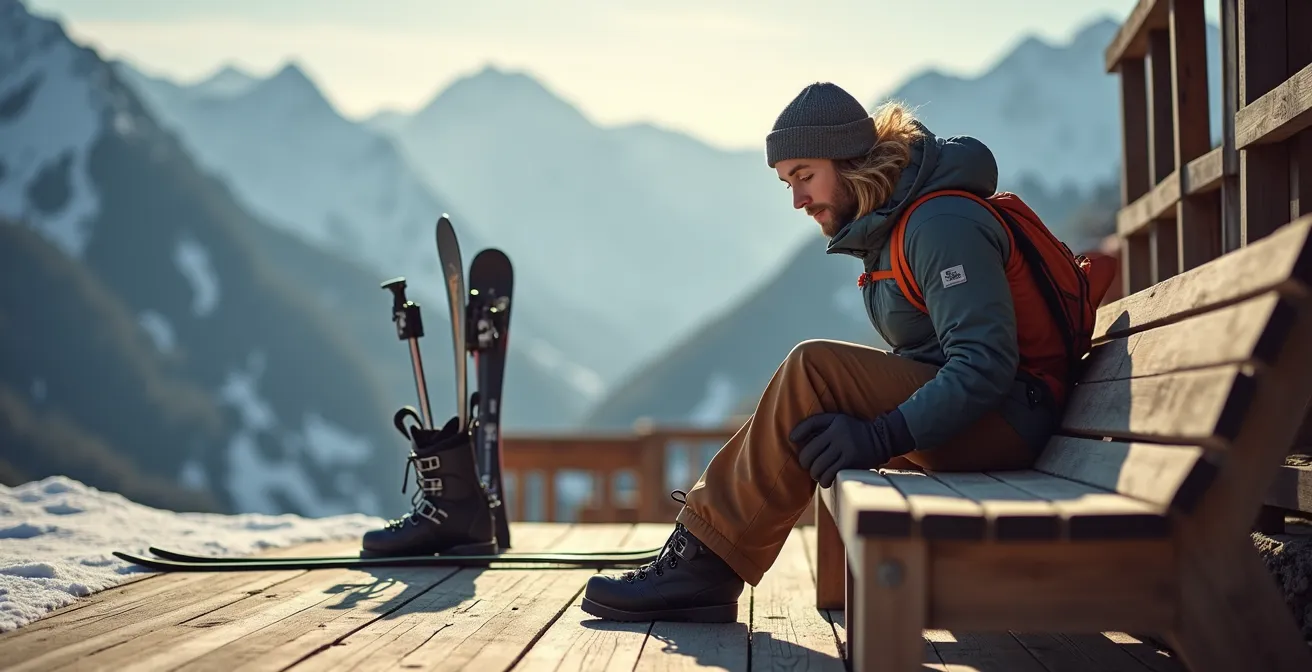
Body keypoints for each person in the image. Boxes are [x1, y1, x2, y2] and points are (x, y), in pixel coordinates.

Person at [579, 81, 1079, 623]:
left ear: (849, 160)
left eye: (804, 176)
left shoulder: (940, 225)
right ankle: (702, 554)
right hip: (989, 417)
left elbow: (983, 363)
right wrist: (871, 426)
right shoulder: (896, 224)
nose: (796, 200)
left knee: (814, 370)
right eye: (785, 182)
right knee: (818, 391)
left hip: (1009, 420)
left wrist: (880, 434)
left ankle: (703, 564)